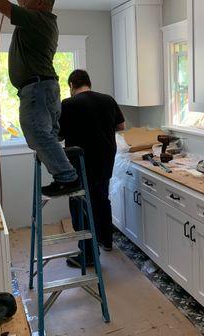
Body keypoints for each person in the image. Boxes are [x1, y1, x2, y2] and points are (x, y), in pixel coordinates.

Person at [0, 0, 79, 197]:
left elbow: (1, 6)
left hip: (38, 89)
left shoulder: (37, 19)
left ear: (41, 4)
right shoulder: (40, 19)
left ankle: (67, 177)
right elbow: (20, 3)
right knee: (44, 136)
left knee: (37, 133)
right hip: (43, 89)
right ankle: (63, 175)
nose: (25, 0)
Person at [59, 70, 125, 265]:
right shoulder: (107, 100)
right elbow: (121, 126)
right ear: (89, 83)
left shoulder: (68, 104)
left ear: (72, 85)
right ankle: (106, 241)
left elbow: (59, 136)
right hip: (105, 161)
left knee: (80, 205)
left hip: (81, 164)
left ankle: (87, 255)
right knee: (102, 200)